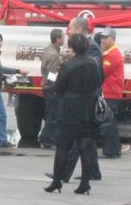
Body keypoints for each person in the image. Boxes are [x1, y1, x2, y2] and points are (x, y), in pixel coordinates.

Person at [44, 34, 102, 195]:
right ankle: (85, 183)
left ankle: (57, 181)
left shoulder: (68, 65)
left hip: (69, 110)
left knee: (63, 147)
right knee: (86, 147)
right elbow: (98, 83)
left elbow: (59, 88)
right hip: (89, 109)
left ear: (73, 47)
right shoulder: (94, 63)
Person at [99, 27, 128, 158]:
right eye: (102, 37)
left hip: (111, 93)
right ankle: (114, 149)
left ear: (113, 39)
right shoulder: (108, 53)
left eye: (106, 38)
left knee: (108, 123)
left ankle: (111, 150)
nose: (103, 40)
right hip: (110, 92)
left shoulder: (113, 54)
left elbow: (102, 72)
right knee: (110, 123)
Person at [38, 29, 64, 149]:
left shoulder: (48, 50)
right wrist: (55, 87)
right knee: (52, 116)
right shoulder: (54, 55)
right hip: (51, 88)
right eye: (62, 37)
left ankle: (43, 137)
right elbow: (52, 74)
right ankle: (49, 141)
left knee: (49, 114)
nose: (64, 39)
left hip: (46, 86)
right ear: (58, 39)